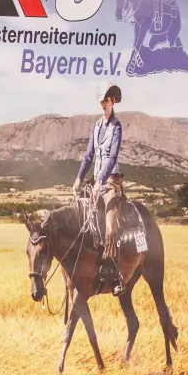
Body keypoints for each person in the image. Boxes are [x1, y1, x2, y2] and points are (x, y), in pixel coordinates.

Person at [72, 84, 126, 295]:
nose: (103, 104)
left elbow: (112, 158)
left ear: (113, 101)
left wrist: (100, 181)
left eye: (106, 100)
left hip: (110, 182)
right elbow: (88, 155)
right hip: (94, 182)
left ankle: (116, 277)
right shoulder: (96, 126)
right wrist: (78, 178)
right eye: (101, 101)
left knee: (110, 229)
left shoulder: (117, 127)